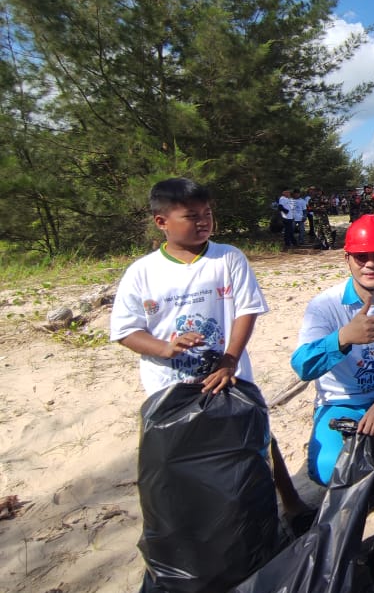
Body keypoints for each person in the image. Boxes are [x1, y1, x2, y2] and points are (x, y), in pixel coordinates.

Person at [110, 178, 311, 529]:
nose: (204, 221)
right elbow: (126, 331)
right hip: (172, 387)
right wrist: (165, 348)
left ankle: (291, 504)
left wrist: (230, 358)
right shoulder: (142, 273)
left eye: (208, 213)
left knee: (258, 439)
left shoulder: (227, 258)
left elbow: (246, 310)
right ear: (162, 222)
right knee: (187, 457)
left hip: (231, 377)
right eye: (191, 216)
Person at [291, 214, 374, 485]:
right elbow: (303, 366)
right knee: (329, 471)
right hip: (344, 402)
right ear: (347, 259)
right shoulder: (325, 306)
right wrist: (342, 338)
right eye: (361, 257)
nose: (370, 264)